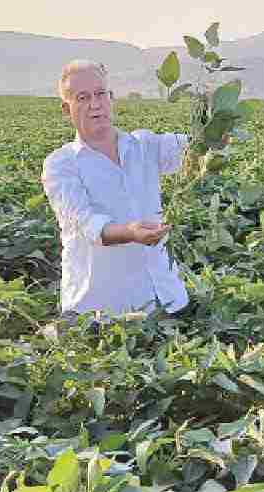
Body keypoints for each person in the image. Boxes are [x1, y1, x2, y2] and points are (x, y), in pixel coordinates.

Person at [41, 60, 190, 322]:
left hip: (166, 302)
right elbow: (87, 224)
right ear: (67, 109)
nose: (95, 104)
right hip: (99, 312)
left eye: (100, 94)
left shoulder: (143, 145)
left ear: (111, 98)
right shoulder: (61, 165)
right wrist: (130, 233)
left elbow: (203, 147)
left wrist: (213, 112)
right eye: (83, 98)